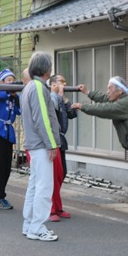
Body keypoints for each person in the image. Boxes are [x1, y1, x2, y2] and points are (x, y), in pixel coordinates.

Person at [71, 76, 128, 225]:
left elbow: (105, 109)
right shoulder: (119, 100)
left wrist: (83, 106)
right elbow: (103, 99)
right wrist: (88, 92)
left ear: (119, 91)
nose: (107, 91)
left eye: (110, 88)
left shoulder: (125, 103)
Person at [21, 52, 60, 242]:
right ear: (46, 69)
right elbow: (42, 119)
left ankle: (29, 224)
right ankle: (37, 227)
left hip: (33, 144)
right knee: (44, 187)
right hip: (41, 144)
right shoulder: (38, 87)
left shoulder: (29, 86)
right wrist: (51, 143)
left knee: (34, 186)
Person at [0, 69, 21, 210]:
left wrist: (15, 95)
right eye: (9, 80)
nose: (12, 83)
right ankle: (0, 196)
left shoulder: (12, 97)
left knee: (7, 168)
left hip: (7, 133)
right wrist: (8, 91)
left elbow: (19, 110)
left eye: (13, 80)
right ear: (1, 82)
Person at [48, 74, 77, 221]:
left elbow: (72, 114)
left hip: (61, 140)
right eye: (61, 81)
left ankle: (57, 206)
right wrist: (57, 95)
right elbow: (51, 109)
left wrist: (64, 97)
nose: (64, 84)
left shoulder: (60, 97)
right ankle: (50, 208)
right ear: (53, 83)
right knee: (52, 176)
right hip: (51, 140)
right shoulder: (50, 97)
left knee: (61, 173)